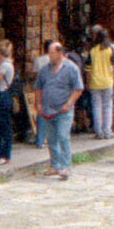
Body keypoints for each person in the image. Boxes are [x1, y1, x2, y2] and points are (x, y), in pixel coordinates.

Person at [33, 38, 83, 179]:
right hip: (48, 110)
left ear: (60, 53)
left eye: (51, 53)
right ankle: (54, 165)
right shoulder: (45, 70)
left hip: (63, 110)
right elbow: (38, 87)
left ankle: (66, 167)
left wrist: (69, 103)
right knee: (52, 139)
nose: (49, 56)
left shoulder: (71, 68)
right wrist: (38, 103)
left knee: (63, 136)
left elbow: (78, 89)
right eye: (48, 53)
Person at [87, 25, 114, 141]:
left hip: (95, 82)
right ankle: (107, 131)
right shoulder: (110, 50)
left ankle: (98, 132)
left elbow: (88, 69)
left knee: (96, 107)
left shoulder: (92, 51)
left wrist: (88, 83)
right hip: (108, 82)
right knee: (108, 107)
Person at [0, 39, 15, 164]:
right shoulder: (8, 64)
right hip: (3, 94)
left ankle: (3, 155)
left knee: (2, 125)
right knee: (0, 125)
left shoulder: (4, 65)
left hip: (2, 95)